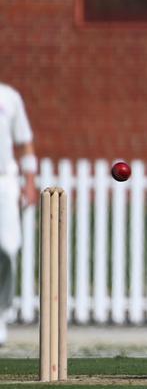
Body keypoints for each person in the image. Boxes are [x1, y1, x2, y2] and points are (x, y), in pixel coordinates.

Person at [0, 82, 38, 345]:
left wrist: (30, 182)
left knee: (8, 249)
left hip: (4, 182)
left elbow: (24, 144)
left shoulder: (9, 97)